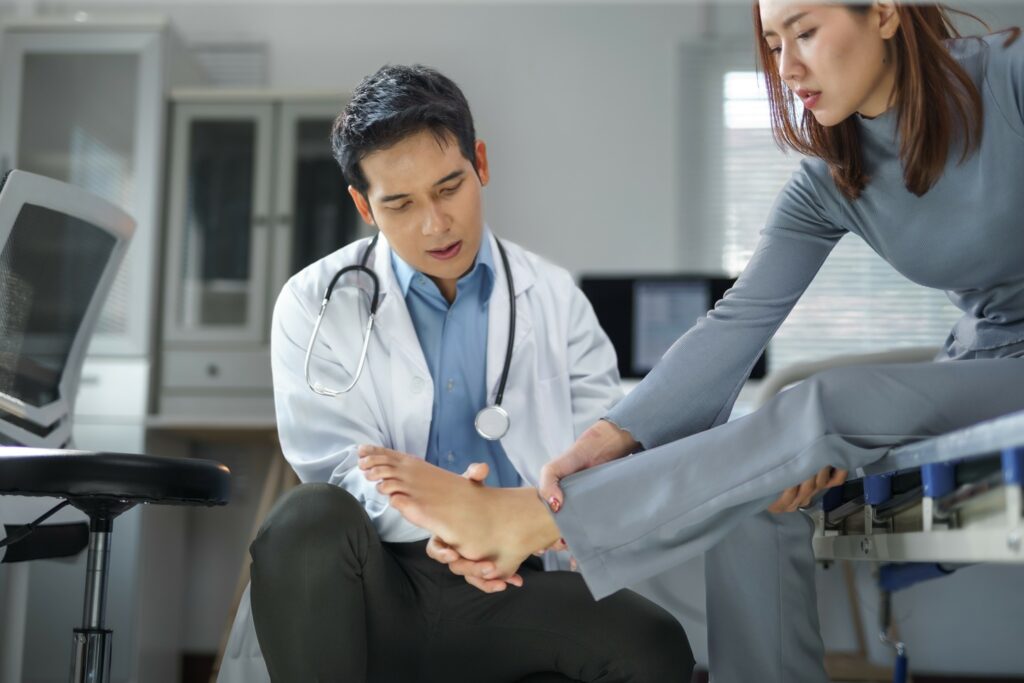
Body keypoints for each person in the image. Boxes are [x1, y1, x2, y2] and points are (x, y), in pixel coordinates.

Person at [361, 4, 1024, 682]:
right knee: (757, 495)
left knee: (827, 402)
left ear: (883, 13)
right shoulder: (831, 179)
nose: (788, 67)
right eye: (773, 44)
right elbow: (738, 321)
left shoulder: (1011, 78)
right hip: (978, 367)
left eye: (805, 32)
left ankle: (539, 520)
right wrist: (609, 438)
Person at [218, 64, 694, 683]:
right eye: (400, 204)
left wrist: (501, 521)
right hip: (375, 581)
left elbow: (600, 463)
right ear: (364, 205)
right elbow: (334, 471)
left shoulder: (556, 298)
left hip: (512, 580)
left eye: (449, 188)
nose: (435, 224)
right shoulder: (315, 301)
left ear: (481, 164)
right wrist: (454, 515)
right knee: (306, 518)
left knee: (654, 646)